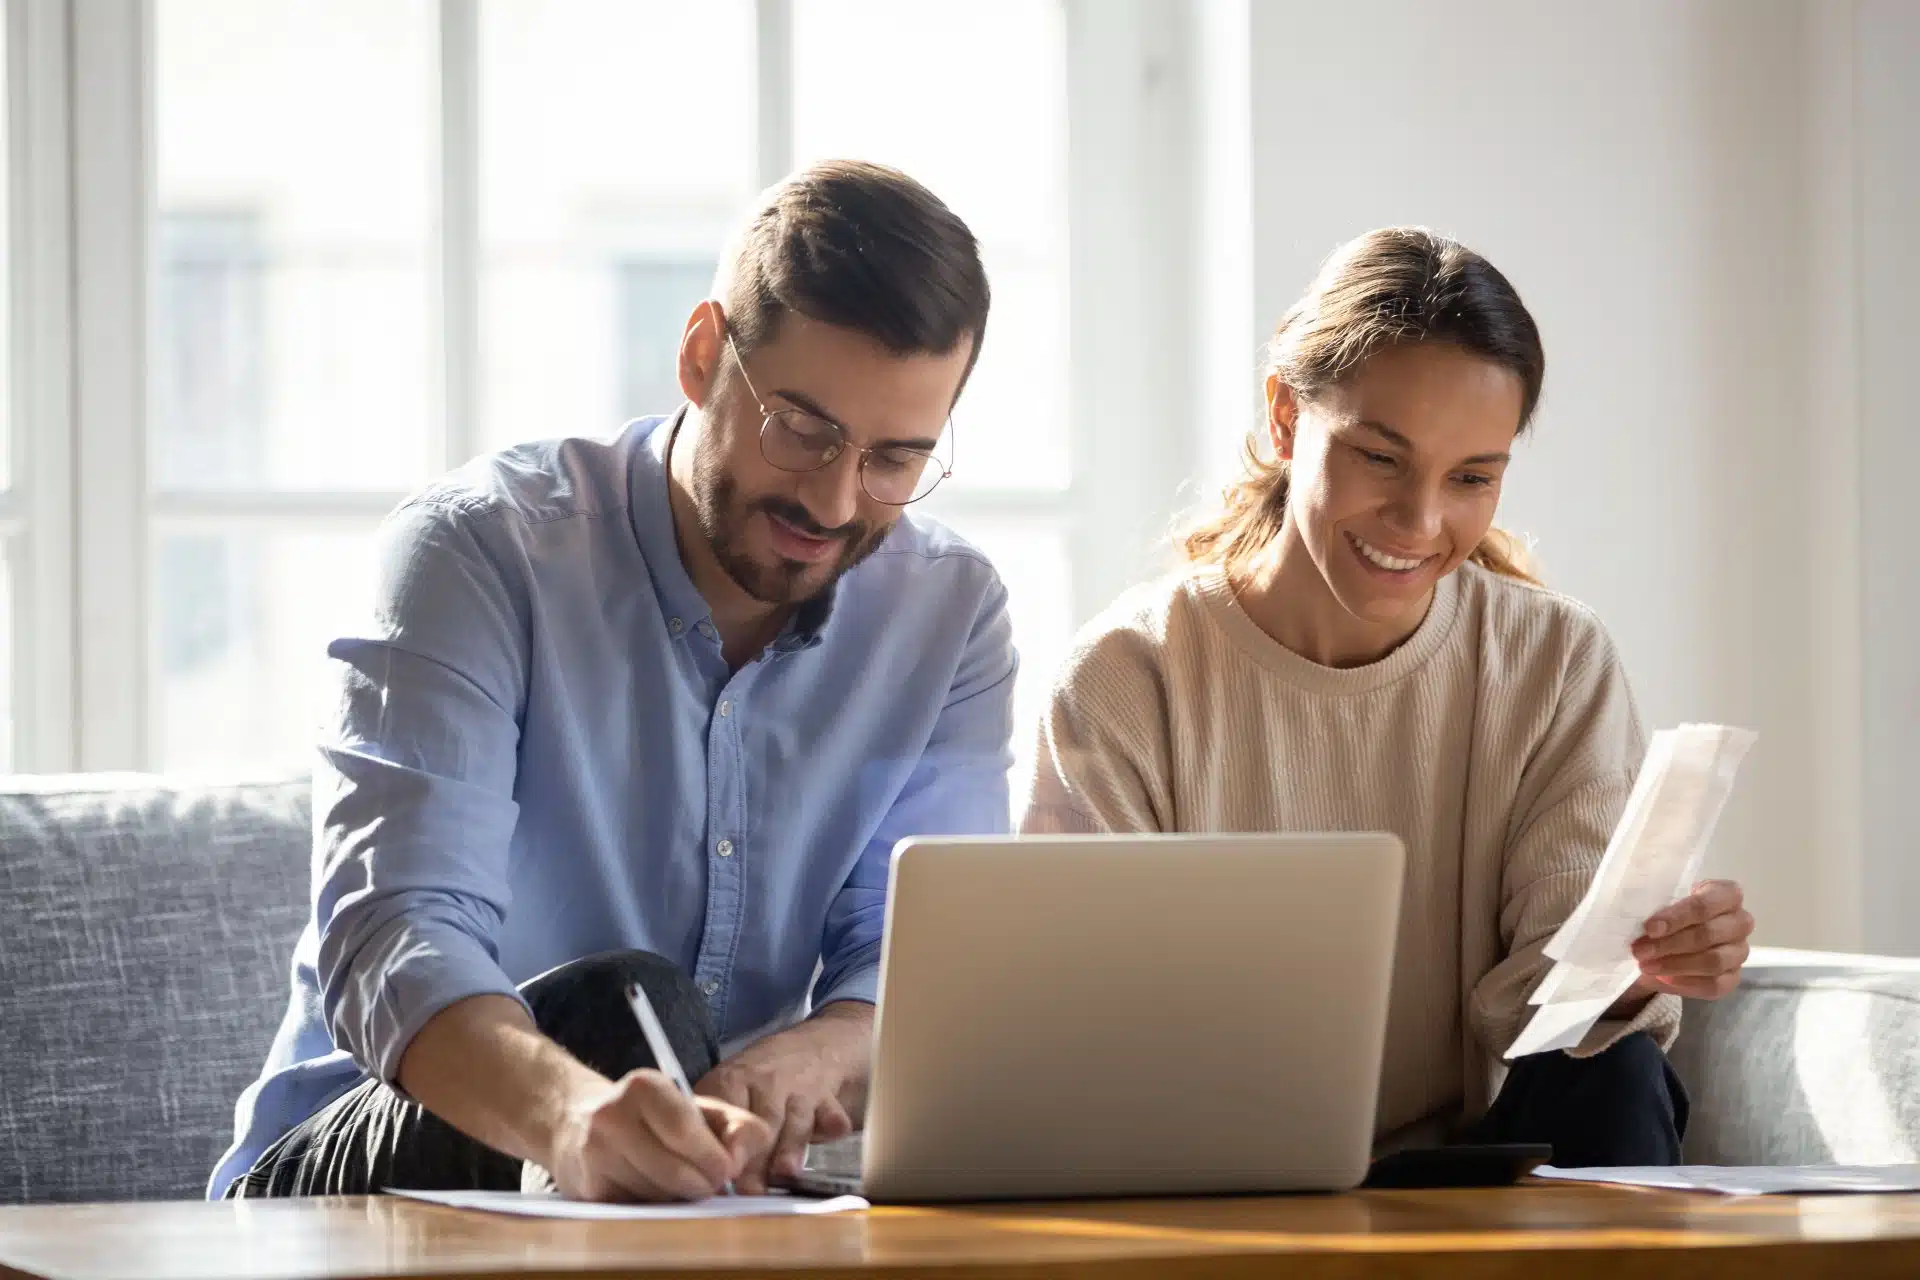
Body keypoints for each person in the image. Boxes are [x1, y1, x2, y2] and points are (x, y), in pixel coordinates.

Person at [211, 160, 1017, 1202]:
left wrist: (809, 1057)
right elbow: (395, 937)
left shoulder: (948, 614)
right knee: (625, 1004)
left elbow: (915, 959)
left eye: (894, 460)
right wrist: (576, 1117)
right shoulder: (478, 551)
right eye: (803, 430)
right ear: (700, 354)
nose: (833, 496)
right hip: (353, 1177)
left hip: (696, 1186)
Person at [1021, 227, 1755, 1166]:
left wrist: (1636, 967)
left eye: (1472, 479)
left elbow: (1556, 1000)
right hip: (1211, 1166)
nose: (1421, 522)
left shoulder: (1554, 661)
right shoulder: (1129, 679)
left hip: (1484, 1169)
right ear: (1286, 417)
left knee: (1617, 1074)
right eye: (1380, 458)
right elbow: (1085, 1025)